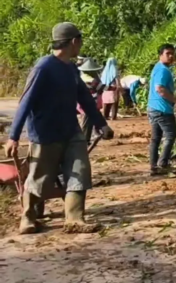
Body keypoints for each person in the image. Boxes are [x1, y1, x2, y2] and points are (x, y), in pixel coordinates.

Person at [4, 22, 113, 234]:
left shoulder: (72, 69)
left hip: (71, 130)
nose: (80, 46)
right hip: (46, 133)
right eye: (79, 42)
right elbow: (25, 102)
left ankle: (74, 219)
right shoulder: (43, 67)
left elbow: (85, 99)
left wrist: (102, 124)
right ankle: (28, 218)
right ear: (74, 42)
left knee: (80, 171)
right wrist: (13, 136)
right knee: (40, 178)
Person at [148, 44, 176, 175]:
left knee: (156, 138)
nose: (171, 56)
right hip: (162, 108)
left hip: (153, 107)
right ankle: (162, 164)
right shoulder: (163, 70)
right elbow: (160, 89)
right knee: (170, 135)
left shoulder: (157, 67)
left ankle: (153, 166)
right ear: (160, 55)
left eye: (172, 53)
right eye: (168, 53)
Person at [78, 58, 104, 145]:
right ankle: (85, 139)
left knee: (87, 121)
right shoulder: (92, 80)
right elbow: (101, 88)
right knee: (87, 121)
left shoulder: (81, 77)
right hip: (89, 102)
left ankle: (86, 138)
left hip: (84, 102)